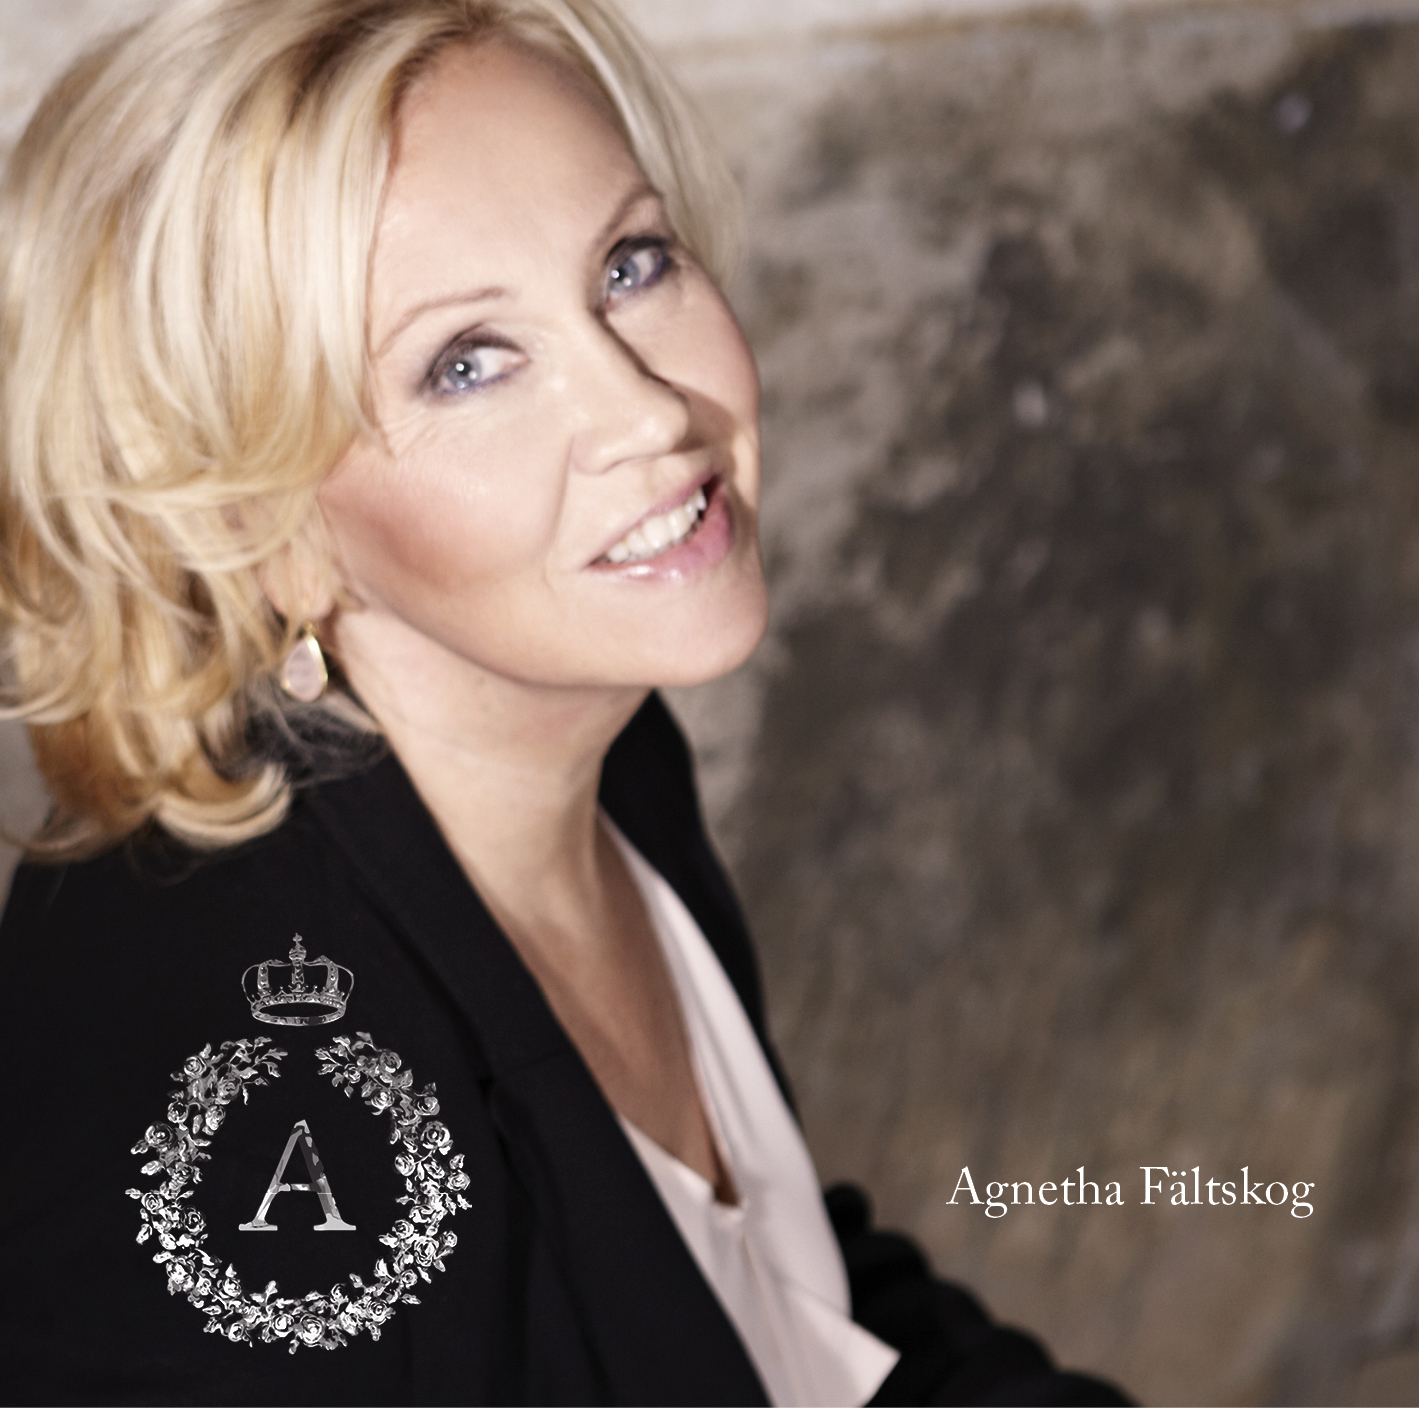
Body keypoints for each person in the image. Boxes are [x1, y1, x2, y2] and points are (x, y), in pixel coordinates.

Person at [0, 0, 1129, 1402]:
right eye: (467, 362)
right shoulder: (235, 1100)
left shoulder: (594, 735)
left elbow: (771, 1299)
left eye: (631, 264)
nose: (649, 411)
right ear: (264, 533)